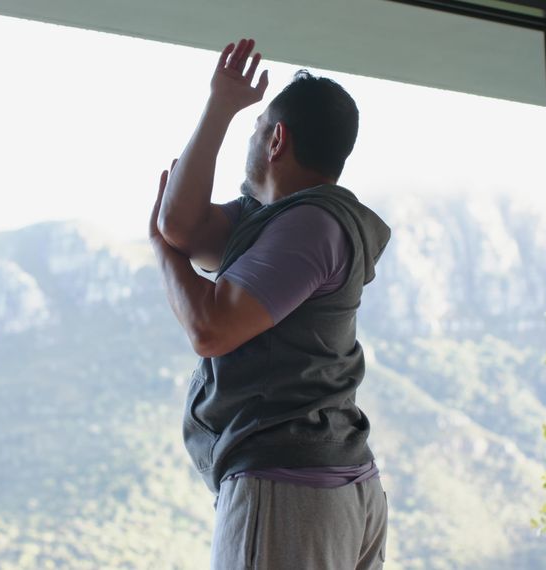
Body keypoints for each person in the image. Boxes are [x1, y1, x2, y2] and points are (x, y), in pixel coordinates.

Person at [147, 37, 392, 570]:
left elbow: (211, 329)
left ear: (276, 139)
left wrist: (163, 256)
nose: (250, 144)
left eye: (255, 131)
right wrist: (221, 106)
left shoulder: (310, 226)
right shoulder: (275, 221)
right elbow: (181, 224)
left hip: (291, 489)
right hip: (321, 485)